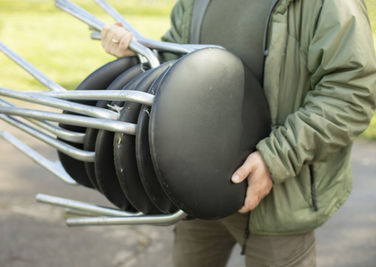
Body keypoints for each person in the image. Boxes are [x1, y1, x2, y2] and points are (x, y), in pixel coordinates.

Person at [101, 0, 376, 266]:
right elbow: (178, 65)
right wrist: (138, 50)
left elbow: (351, 93)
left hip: (280, 199)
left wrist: (275, 158)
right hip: (195, 194)